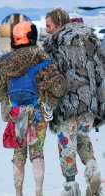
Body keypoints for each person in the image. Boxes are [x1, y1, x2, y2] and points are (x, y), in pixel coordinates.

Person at [0, 21, 66, 196]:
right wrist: (51, 100)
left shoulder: (5, 61)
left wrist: (9, 101)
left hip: (15, 114)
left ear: (14, 39)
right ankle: (39, 191)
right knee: (37, 153)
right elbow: (59, 88)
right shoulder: (42, 59)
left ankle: (18, 193)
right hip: (38, 114)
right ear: (33, 36)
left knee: (18, 156)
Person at [43, 7, 105, 196]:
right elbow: (101, 72)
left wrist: (48, 104)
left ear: (59, 24)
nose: (47, 30)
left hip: (66, 105)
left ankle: (71, 186)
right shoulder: (91, 40)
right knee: (82, 139)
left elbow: (52, 78)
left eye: (49, 25)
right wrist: (100, 103)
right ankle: (93, 171)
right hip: (89, 103)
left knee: (66, 143)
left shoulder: (53, 44)